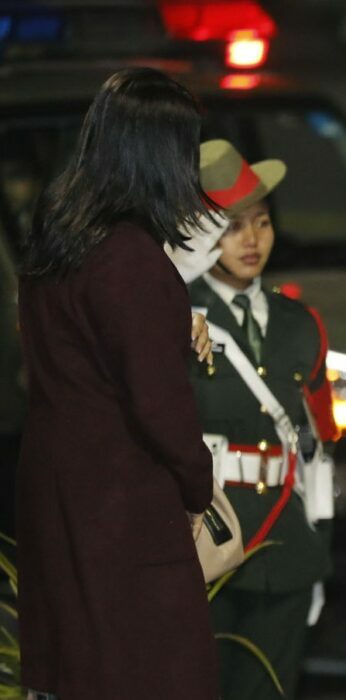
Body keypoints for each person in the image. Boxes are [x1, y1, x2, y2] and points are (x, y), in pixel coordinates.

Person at [15, 67, 217, 699]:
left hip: (56, 489)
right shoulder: (131, 259)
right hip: (122, 504)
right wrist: (198, 483)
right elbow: (158, 406)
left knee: (70, 670)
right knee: (143, 673)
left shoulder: (59, 233)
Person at [176, 139, 339, 700]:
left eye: (262, 223)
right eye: (233, 227)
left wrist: (319, 541)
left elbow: (319, 443)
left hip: (287, 546)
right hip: (206, 543)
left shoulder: (301, 323)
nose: (252, 240)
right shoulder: (172, 316)